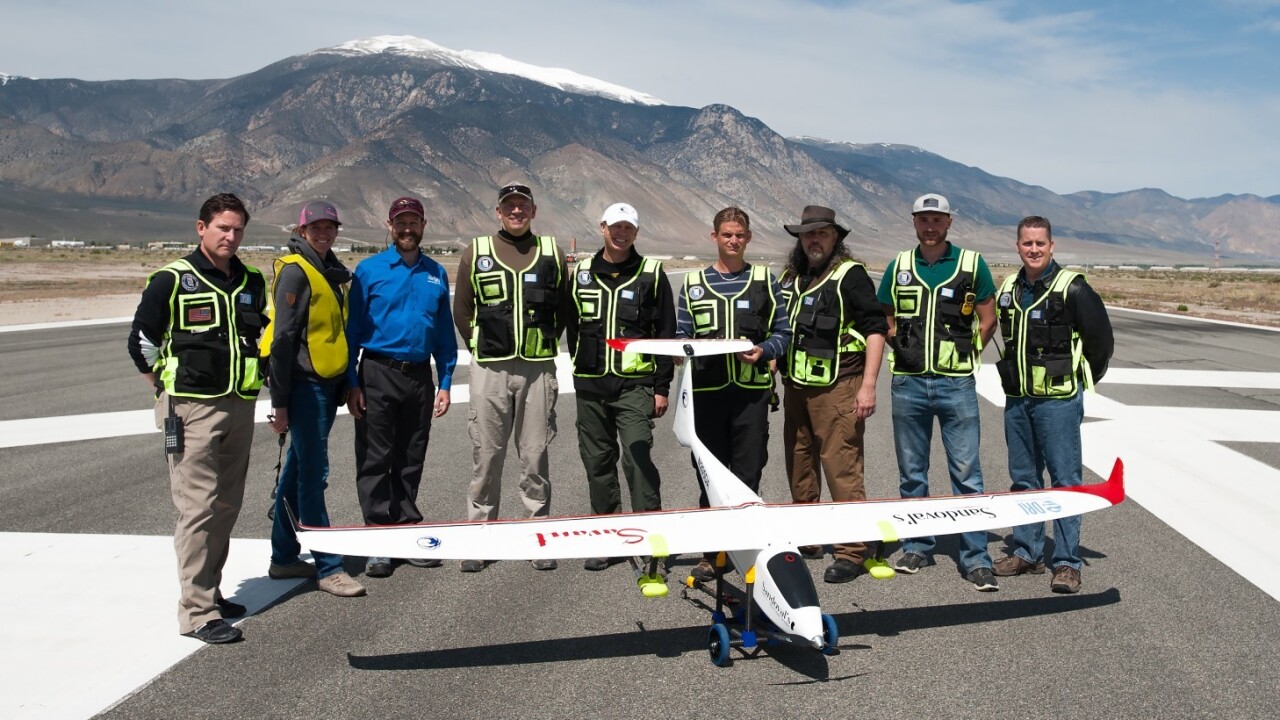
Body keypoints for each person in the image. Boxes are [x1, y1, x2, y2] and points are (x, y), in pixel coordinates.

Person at [128, 193, 267, 644]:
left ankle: (210, 589)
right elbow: (142, 342)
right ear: (200, 228)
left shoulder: (250, 280)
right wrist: (161, 388)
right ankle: (197, 613)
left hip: (239, 405)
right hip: (191, 409)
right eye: (222, 228)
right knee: (196, 508)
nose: (230, 236)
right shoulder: (171, 280)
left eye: (238, 229)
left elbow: (255, 335)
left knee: (226, 504)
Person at [877, 193, 1000, 592]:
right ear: (914, 222)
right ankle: (917, 544)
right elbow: (886, 315)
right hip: (908, 383)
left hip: (956, 384)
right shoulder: (899, 265)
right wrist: (902, 343)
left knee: (967, 473)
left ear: (949, 223)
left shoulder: (971, 264)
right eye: (923, 219)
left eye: (937, 220)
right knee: (912, 474)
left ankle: (976, 557)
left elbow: (988, 318)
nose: (930, 226)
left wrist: (965, 353)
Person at [453, 182, 571, 572]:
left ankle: (538, 537)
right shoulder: (478, 250)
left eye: (523, 206)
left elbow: (565, 307)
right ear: (498, 212)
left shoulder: (552, 251)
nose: (516, 212)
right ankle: (479, 537)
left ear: (534, 211)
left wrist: (547, 343)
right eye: (509, 206)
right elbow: (463, 309)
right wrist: (482, 347)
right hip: (490, 368)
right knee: (486, 454)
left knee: (535, 455)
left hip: (537, 368)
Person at [992, 216, 1114, 593]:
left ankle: (1066, 562)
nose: (1033, 249)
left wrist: (1077, 379)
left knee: (1064, 483)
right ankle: (1028, 552)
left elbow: (1101, 342)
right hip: (1017, 401)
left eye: (1040, 243)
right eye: (1027, 243)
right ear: (1017, 246)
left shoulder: (1073, 288)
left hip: (1058, 402)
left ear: (1051, 245)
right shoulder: (1009, 288)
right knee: (1024, 481)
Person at [777, 206, 892, 584]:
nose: (814, 240)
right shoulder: (792, 277)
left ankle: (852, 549)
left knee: (841, 466)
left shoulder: (850, 276)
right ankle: (809, 535)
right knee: (800, 463)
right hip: (796, 387)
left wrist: (869, 384)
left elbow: (876, 329)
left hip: (839, 387)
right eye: (807, 234)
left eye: (822, 233)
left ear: (835, 238)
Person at [676, 206, 791, 583]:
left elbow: (783, 333)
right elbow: (680, 336)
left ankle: (743, 550)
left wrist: (765, 351)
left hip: (751, 396)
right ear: (715, 237)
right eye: (726, 234)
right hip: (707, 395)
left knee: (747, 474)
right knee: (709, 476)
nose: (733, 240)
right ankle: (712, 556)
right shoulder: (692, 284)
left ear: (748, 237)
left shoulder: (765, 281)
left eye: (739, 235)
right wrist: (685, 350)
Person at [345, 196, 458, 579]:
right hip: (377, 372)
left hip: (419, 376)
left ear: (424, 225)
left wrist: (445, 381)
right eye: (401, 222)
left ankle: (406, 526)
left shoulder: (436, 273)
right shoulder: (369, 270)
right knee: (376, 456)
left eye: (414, 222)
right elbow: (352, 332)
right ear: (390, 227)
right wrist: (351, 382)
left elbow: (443, 332)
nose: (407, 229)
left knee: (411, 455)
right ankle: (378, 536)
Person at [262, 200, 366, 597]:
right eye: (316, 227)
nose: (324, 233)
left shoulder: (329, 270)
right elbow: (284, 340)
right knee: (313, 475)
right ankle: (328, 566)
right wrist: (281, 400)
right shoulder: (296, 271)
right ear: (301, 230)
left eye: (330, 227)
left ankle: (284, 556)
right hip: (304, 387)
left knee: (297, 470)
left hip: (324, 385)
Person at [566, 202, 676, 571]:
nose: (621, 232)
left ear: (636, 232)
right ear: (602, 228)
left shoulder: (651, 274)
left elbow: (664, 335)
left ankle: (651, 536)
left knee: (637, 457)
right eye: (615, 226)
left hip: (635, 386)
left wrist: (661, 387)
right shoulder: (580, 272)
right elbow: (571, 324)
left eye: (628, 227)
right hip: (591, 386)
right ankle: (609, 537)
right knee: (597, 462)